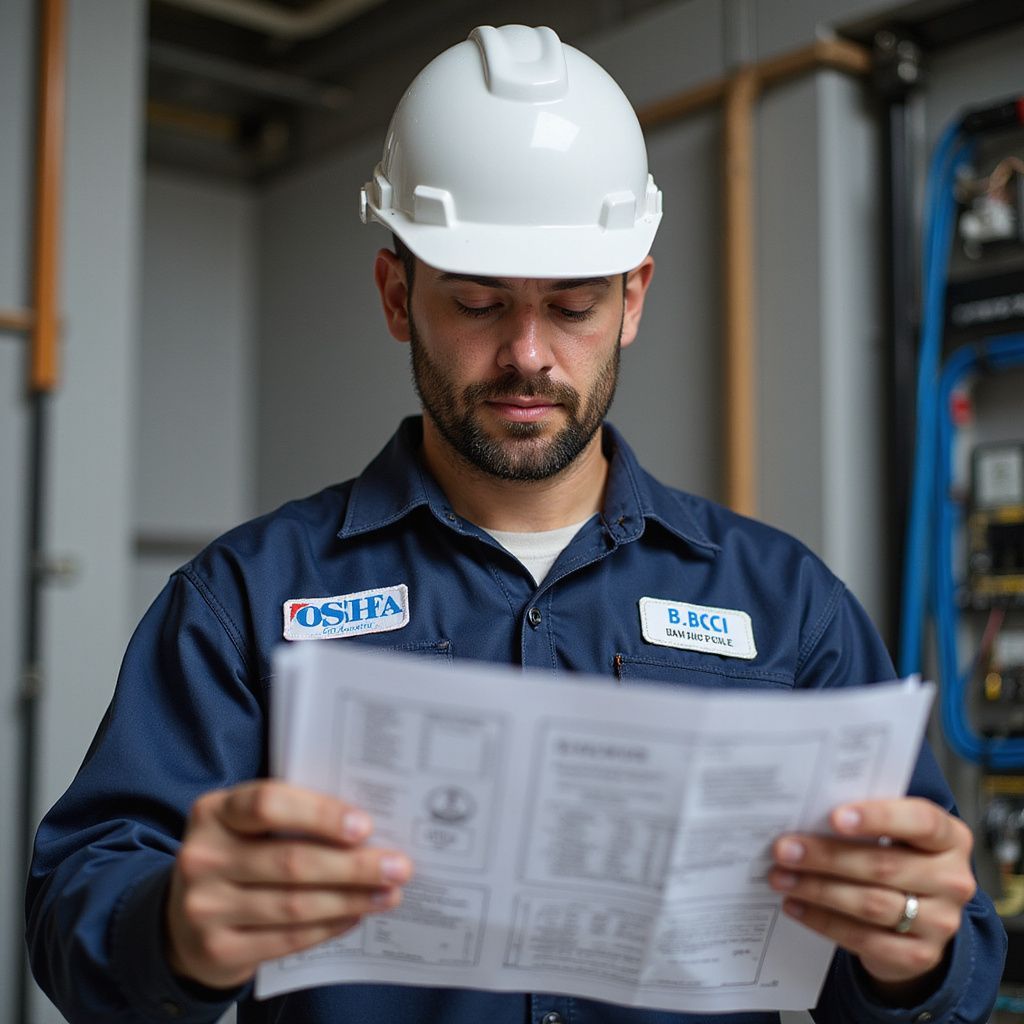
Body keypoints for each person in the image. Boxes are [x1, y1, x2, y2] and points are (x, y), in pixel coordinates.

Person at [27, 23, 1004, 1024]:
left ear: (633, 299)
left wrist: (909, 952)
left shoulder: (786, 606)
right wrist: (173, 926)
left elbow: (941, 950)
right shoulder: (245, 599)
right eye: (480, 302)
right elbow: (78, 905)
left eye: (572, 306)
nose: (527, 353)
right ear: (395, 294)